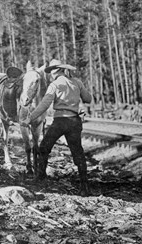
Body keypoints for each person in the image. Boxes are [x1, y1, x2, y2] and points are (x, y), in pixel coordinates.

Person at [20, 59, 92, 196]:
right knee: (78, 152)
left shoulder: (54, 85)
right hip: (75, 121)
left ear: (54, 72)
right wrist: (77, 89)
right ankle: (85, 186)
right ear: (63, 69)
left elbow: (43, 105)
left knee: (44, 148)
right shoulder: (77, 82)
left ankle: (41, 179)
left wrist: (29, 119)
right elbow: (88, 99)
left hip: (60, 122)